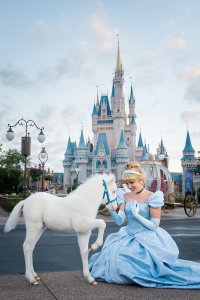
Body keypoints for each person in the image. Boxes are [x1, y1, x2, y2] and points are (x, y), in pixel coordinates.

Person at [89, 162, 200, 288]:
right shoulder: (125, 196)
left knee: (130, 262)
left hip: (147, 237)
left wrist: (137, 215)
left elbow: (154, 226)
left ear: (141, 180)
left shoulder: (153, 197)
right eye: (127, 183)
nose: (129, 186)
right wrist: (111, 210)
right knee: (113, 258)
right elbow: (120, 221)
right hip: (128, 235)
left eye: (132, 182)